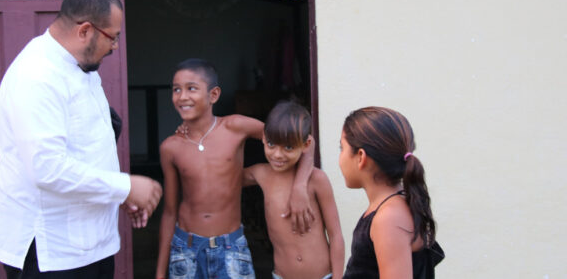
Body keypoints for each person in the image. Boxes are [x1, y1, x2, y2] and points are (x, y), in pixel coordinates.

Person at [0, 0, 163, 278]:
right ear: (84, 31)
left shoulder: (80, 65)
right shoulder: (37, 76)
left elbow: (87, 147)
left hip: (89, 244)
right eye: (113, 37)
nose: (116, 46)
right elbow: (48, 168)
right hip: (51, 250)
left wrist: (117, 195)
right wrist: (125, 186)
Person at [155, 59, 315, 279]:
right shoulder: (170, 147)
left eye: (191, 88)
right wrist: (160, 272)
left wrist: (300, 186)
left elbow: (303, 142)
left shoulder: (235, 127)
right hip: (185, 250)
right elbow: (170, 211)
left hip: (230, 249)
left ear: (213, 95)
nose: (182, 96)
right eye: (176, 90)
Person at [243, 101, 345, 279]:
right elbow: (223, 179)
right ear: (263, 139)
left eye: (288, 147)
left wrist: (338, 277)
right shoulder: (261, 174)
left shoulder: (317, 180)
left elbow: (336, 235)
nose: (277, 154)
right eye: (271, 144)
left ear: (305, 145)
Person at [338, 107, 444, 278]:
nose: (340, 156)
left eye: (341, 148)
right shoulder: (390, 207)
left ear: (360, 157)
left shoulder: (389, 218)